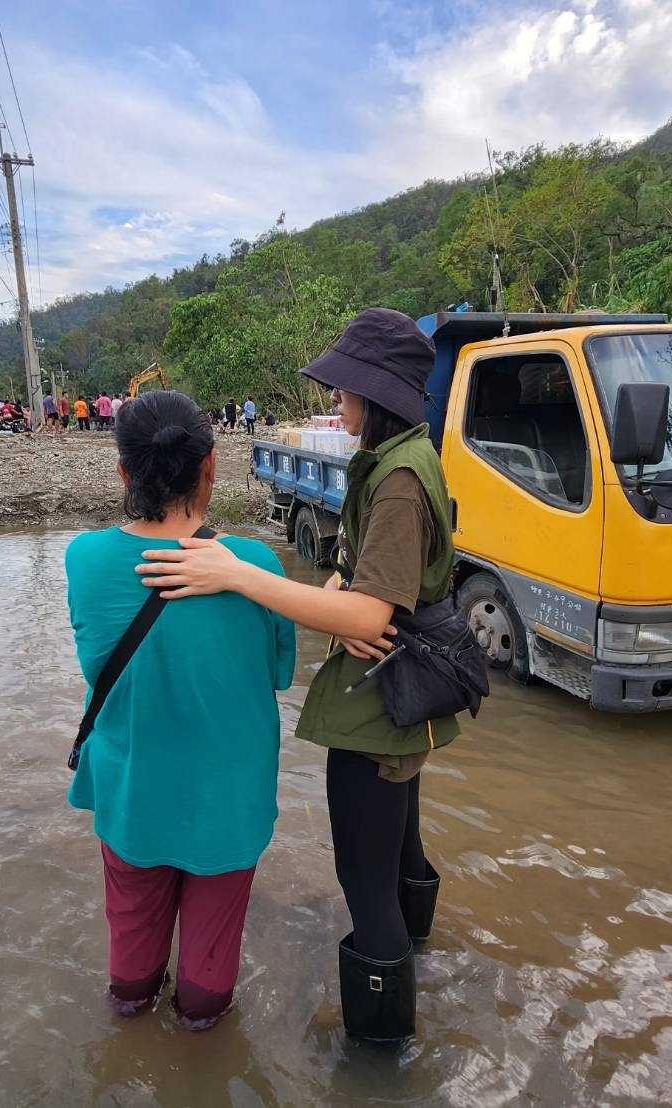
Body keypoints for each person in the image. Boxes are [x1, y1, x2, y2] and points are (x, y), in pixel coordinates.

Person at [136, 308, 458, 1043]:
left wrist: (235, 574)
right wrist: (341, 588)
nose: (336, 403)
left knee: (364, 884)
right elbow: (368, 579)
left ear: (376, 396)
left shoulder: (401, 478)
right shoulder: (407, 458)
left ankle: (379, 1058)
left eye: (345, 392)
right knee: (401, 847)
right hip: (406, 698)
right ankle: (422, 966)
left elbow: (370, 619)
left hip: (382, 704)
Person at [66, 390, 296, 1030]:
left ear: (123, 472)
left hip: (132, 787)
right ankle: (200, 1043)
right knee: (206, 988)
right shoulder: (254, 565)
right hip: (229, 800)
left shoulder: (82, 558)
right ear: (211, 465)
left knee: (131, 968)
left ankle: (128, 1028)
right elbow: (278, 674)